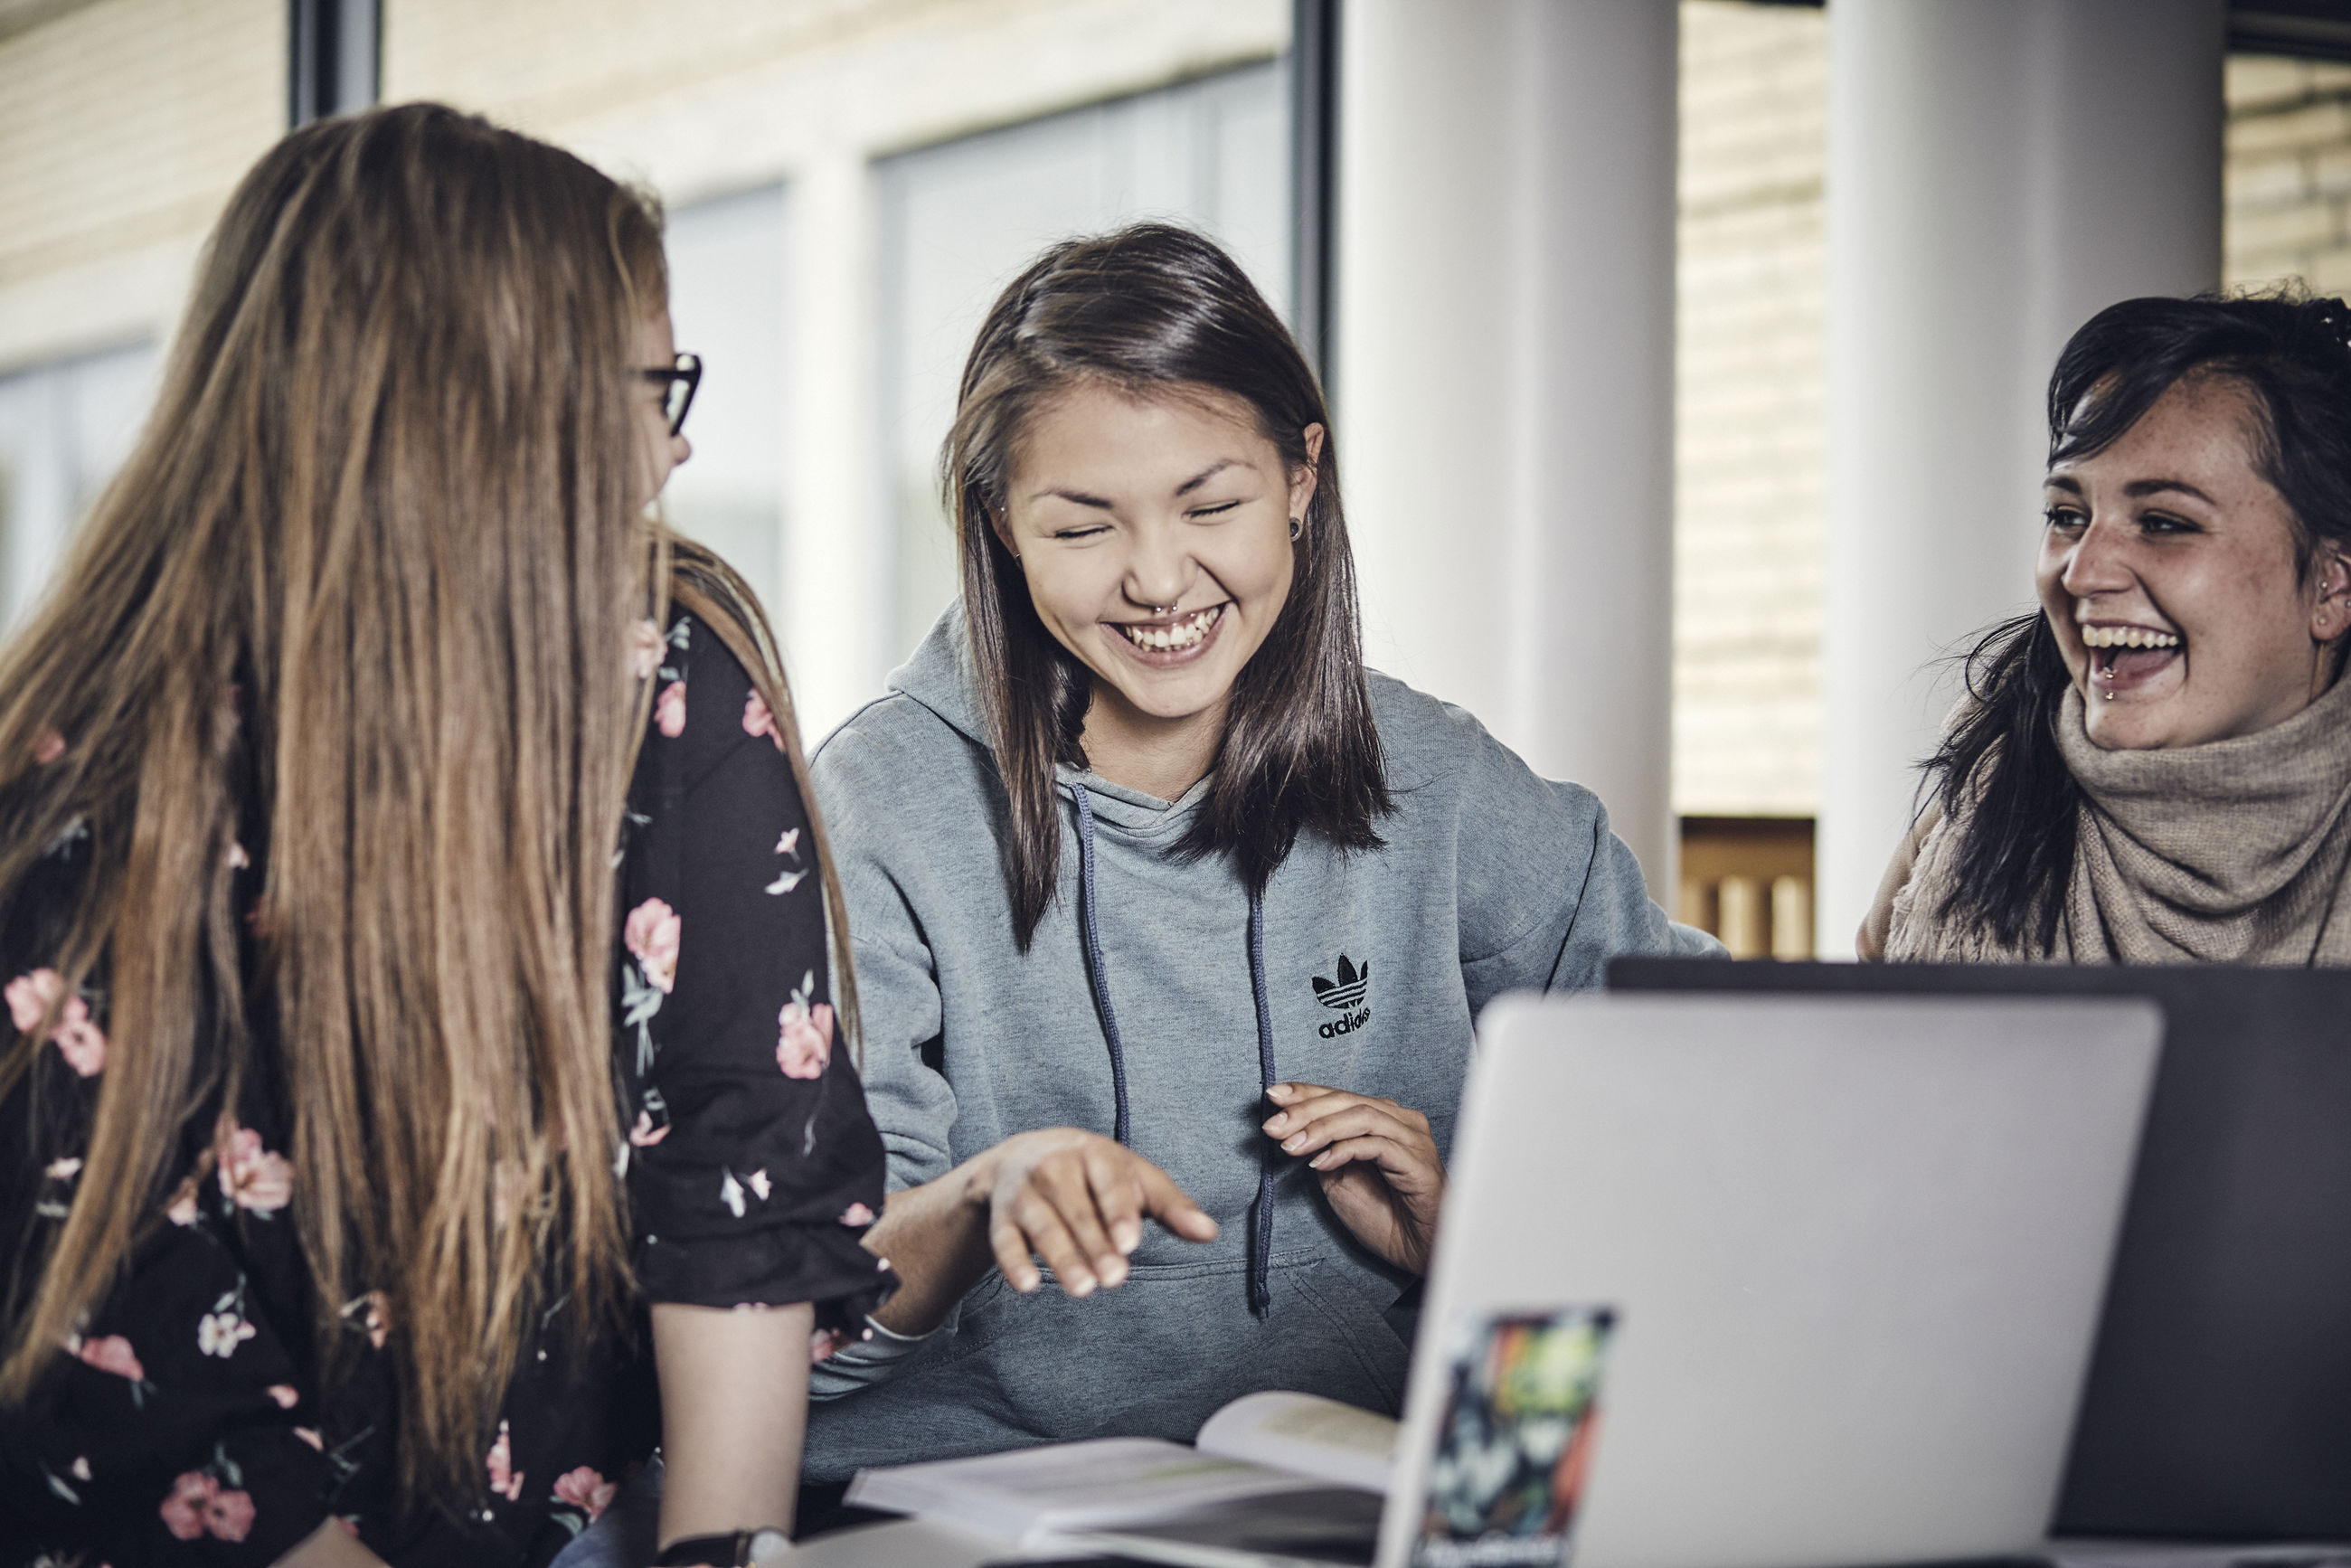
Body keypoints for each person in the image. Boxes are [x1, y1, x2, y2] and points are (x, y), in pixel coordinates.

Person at [0, 105, 886, 1567]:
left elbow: (740, 1170)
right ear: (471, 413)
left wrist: (724, 1555)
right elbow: (130, 1369)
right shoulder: (87, 801)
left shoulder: (670, 676)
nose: (674, 448)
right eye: (646, 387)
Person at [799, 222, 1715, 1493]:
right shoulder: (878, 802)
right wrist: (974, 1200)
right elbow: (800, 1341)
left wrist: (1472, 1238)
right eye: (1083, 527)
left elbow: (1715, 1100)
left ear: (1300, 478)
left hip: (1358, 1476)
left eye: (1211, 505)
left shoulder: (1439, 776)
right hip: (978, 1496)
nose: (1158, 579)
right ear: (1002, 524)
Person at [1863, 291, 2351, 963]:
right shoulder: (1995, 777)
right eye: (2067, 516)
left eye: (2163, 523)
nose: (2082, 572)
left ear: (2332, 585)